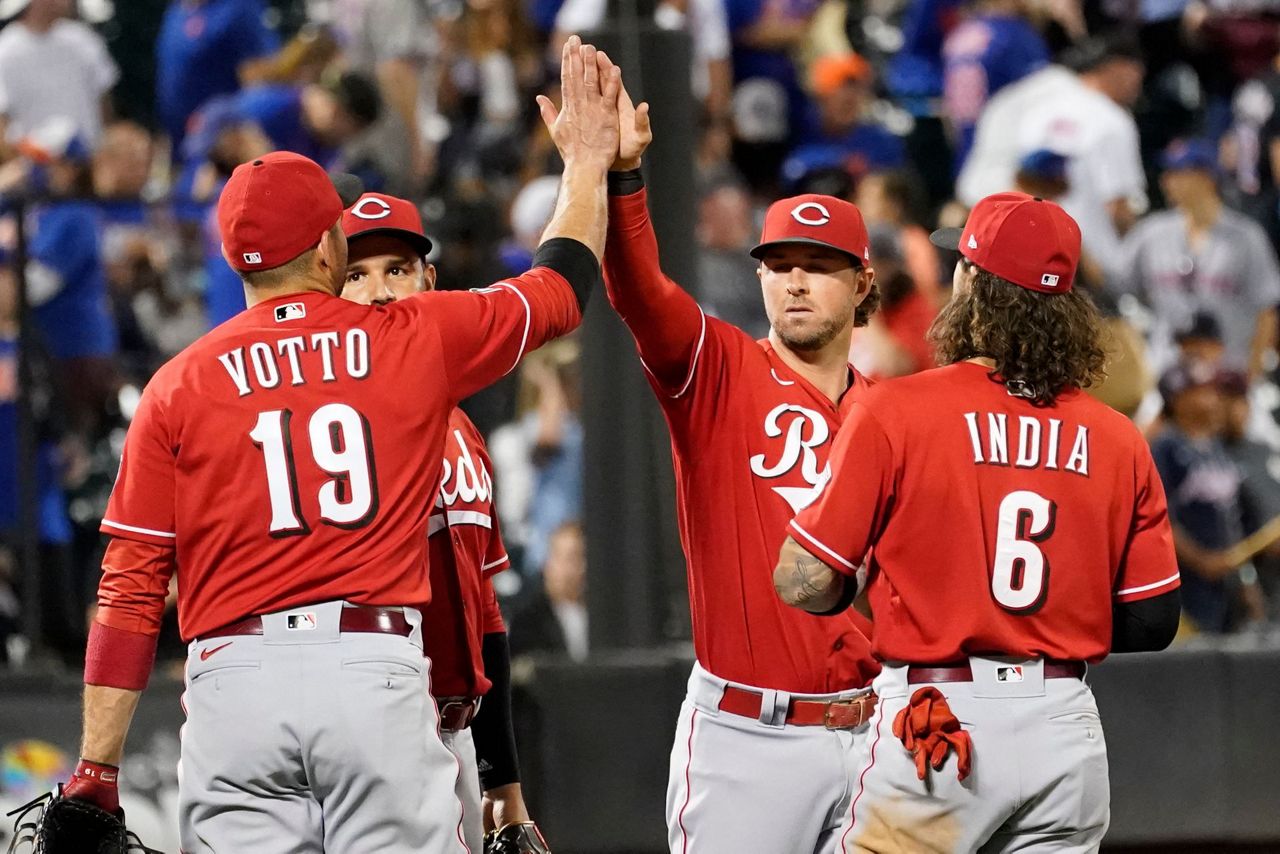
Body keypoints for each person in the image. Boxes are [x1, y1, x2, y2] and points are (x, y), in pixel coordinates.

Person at [63, 36, 617, 852]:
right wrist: (588, 164)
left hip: (231, 682)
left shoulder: (177, 385)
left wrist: (96, 770)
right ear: (329, 248)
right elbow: (562, 287)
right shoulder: (407, 336)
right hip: (370, 667)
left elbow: (131, 587)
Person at [776, 191, 1181, 851]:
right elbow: (1153, 620)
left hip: (943, 724)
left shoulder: (895, 410)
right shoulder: (1117, 437)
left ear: (971, 284)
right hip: (1063, 729)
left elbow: (804, 582)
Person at [600, 78, 881, 853]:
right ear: (756, 274)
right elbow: (637, 290)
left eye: (819, 265)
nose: (794, 280)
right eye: (780, 262)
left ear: (861, 284)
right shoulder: (718, 369)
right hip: (750, 737)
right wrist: (625, 181)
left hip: (877, 729)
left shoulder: (893, 413)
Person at [338, 190, 545, 854]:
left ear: (430, 281)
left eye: (395, 269)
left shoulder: (461, 429)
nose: (377, 291)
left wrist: (502, 788)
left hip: (453, 736)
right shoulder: (324, 432)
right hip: (371, 733)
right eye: (355, 272)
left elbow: (483, 616)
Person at [1118, 138, 1280, 380]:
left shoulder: (1246, 237)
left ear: (1207, 177)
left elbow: (1267, 311)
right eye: (1167, 172)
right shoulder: (1152, 232)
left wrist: (1251, 378)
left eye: (1178, 172)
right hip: (1163, 374)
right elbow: (1116, 287)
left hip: (1228, 378)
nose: (1167, 181)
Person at [0, 0, 119, 149]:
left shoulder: (84, 39)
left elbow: (104, 98)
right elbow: (2, 119)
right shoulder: (6, 50)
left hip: (89, 158)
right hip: (34, 163)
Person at [509, 520, 589, 662]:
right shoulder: (528, 621)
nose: (565, 569)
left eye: (574, 558)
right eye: (559, 557)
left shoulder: (609, 615)